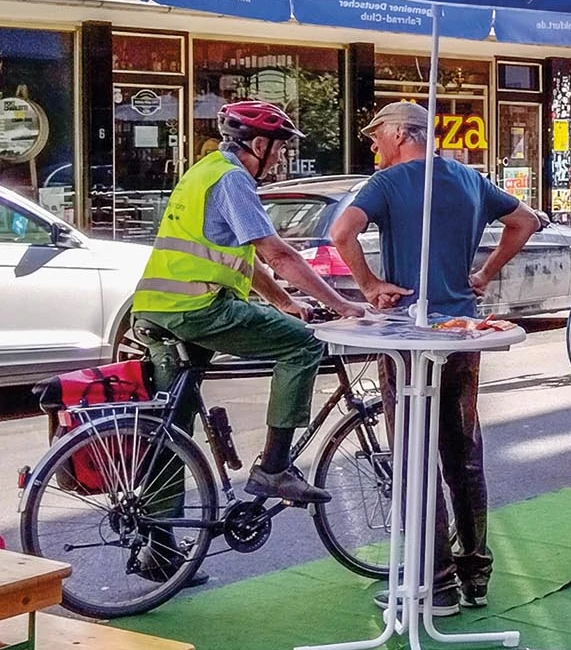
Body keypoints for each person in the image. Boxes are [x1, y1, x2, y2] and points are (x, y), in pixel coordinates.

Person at [132, 101, 367, 580]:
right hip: (200, 307)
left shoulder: (205, 170)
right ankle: (274, 467)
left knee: (172, 431)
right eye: (279, 150)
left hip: (157, 310)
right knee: (302, 345)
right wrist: (341, 305)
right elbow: (277, 253)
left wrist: (284, 303)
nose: (279, 160)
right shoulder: (233, 179)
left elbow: (249, 264)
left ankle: (159, 552)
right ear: (258, 145)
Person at [329, 101, 542, 615]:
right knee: (464, 452)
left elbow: (341, 234)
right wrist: (485, 273)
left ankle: (436, 581)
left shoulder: (387, 184)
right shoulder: (470, 180)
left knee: (412, 456)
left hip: (409, 335)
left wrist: (370, 284)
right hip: (461, 332)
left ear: (403, 134)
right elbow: (526, 221)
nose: (373, 147)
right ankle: (476, 573)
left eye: (377, 135)